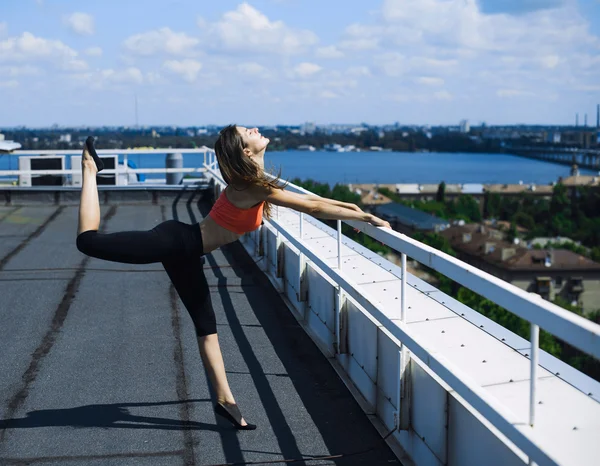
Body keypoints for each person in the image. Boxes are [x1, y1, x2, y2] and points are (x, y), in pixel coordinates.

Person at [75, 126, 391, 430]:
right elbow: (312, 205)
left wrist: (357, 211)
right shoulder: (252, 185)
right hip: (175, 242)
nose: (255, 129)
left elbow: (316, 202)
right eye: (247, 132)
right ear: (244, 149)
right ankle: (90, 169)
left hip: (186, 250)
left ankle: (225, 401)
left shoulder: (253, 180)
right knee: (87, 241)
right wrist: (363, 216)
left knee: (206, 327)